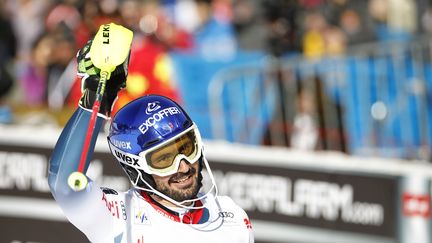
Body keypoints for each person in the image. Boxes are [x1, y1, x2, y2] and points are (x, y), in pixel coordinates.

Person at [48, 30, 254, 243]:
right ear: (135, 166)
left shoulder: (233, 216)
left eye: (186, 148)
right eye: (163, 159)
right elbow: (63, 183)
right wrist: (95, 99)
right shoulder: (116, 217)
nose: (183, 167)